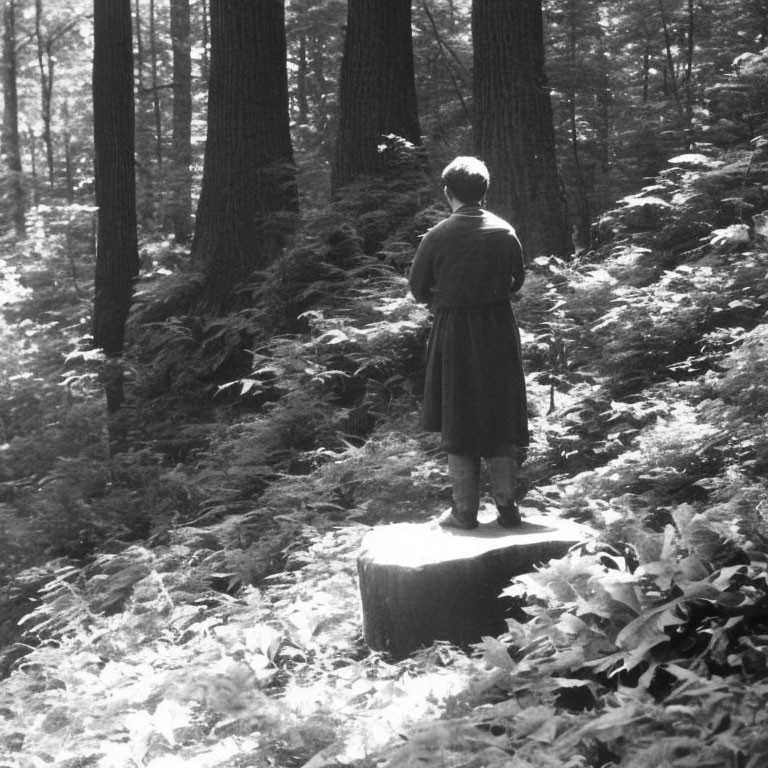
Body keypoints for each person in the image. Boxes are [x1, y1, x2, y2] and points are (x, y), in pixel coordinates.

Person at [409, 156, 529, 530]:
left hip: (455, 332)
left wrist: (443, 302)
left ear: (448, 193)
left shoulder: (438, 235)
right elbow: (517, 281)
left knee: (458, 414)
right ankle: (508, 508)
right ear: (485, 190)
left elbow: (416, 287)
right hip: (498, 329)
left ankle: (465, 512)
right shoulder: (504, 231)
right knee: (501, 413)